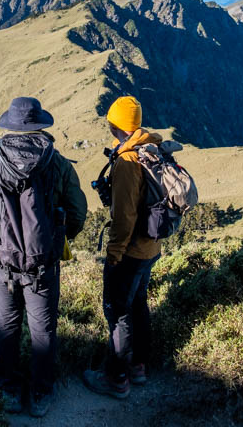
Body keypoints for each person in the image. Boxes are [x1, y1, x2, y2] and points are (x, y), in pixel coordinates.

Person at [0, 96, 87, 418]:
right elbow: (78, 212)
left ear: (10, 125)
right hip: (41, 265)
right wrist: (58, 240)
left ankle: (7, 390)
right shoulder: (58, 163)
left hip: (2, 264)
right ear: (40, 124)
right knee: (43, 330)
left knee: (6, 326)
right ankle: (40, 394)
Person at [83, 95, 162, 399]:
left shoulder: (128, 162)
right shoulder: (149, 149)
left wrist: (114, 255)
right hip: (151, 247)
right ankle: (139, 366)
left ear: (115, 125)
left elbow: (125, 216)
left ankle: (116, 377)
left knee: (119, 312)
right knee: (138, 303)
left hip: (130, 251)